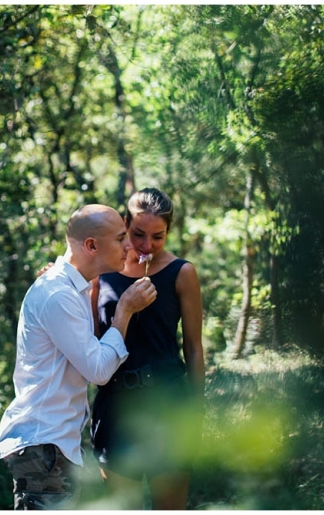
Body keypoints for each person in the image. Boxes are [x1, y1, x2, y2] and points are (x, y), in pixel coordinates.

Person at [0, 204, 157, 510]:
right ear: (92, 245)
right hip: (43, 445)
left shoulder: (74, 290)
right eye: (121, 238)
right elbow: (98, 369)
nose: (130, 246)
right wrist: (124, 311)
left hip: (55, 445)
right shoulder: (59, 295)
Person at [90, 188, 205, 509]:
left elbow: (194, 349)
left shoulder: (182, 273)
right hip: (115, 406)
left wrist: (196, 411)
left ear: (169, 231)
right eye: (138, 234)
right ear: (124, 223)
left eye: (158, 237)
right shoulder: (101, 274)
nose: (146, 245)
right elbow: (90, 342)